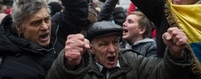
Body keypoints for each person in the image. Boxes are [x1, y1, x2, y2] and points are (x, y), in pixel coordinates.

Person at [0, 0, 88, 78]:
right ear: (19, 27)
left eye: (46, 19)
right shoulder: (12, 69)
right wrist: (67, 65)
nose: (45, 27)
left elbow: (78, 11)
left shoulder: (57, 30)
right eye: (36, 23)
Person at [46, 21, 193, 79]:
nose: (112, 50)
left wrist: (176, 55)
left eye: (115, 42)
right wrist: (68, 64)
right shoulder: (79, 67)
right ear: (91, 48)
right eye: (104, 44)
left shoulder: (133, 61)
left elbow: (163, 74)